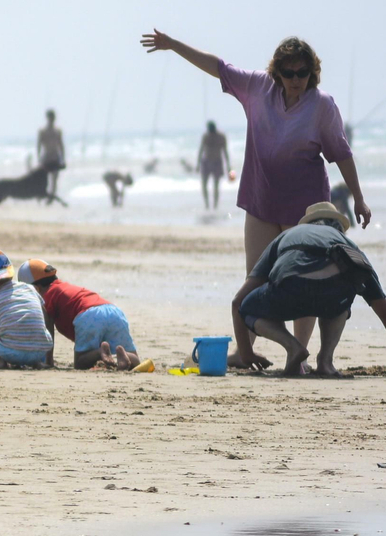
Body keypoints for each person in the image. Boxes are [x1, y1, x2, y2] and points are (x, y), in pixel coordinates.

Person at [143, 30, 367, 357]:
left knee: (302, 281)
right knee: (256, 279)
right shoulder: (257, 87)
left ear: (312, 73)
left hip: (305, 211)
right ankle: (245, 351)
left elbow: (341, 153)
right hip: (261, 202)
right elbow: (218, 66)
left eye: (302, 73)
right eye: (288, 73)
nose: (296, 79)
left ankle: (298, 353)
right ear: (277, 72)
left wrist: (359, 198)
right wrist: (173, 45)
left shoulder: (321, 106)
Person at [229, 202, 386, 377]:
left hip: (289, 291)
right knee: (343, 294)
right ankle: (325, 361)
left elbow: (238, 302)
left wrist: (246, 353)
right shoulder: (348, 247)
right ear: (339, 229)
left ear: (308, 224)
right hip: (333, 297)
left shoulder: (288, 236)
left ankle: (292, 346)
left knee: (249, 306)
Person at [17, 259, 140, 370]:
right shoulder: (63, 287)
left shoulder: (46, 297)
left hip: (89, 314)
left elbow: (47, 330)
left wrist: (48, 361)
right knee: (135, 358)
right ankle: (123, 355)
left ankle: (100, 352)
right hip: (113, 311)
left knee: (81, 363)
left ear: (36, 288)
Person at [0, 250, 53, 369]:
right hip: (39, 351)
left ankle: (0, 361)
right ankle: (36, 363)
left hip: (9, 352)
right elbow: (44, 315)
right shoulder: (29, 288)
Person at [198, 121, 231, 210]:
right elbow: (201, 150)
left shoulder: (220, 137)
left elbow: (225, 151)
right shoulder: (206, 136)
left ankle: (215, 206)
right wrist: (198, 164)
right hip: (206, 162)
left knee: (216, 185)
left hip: (217, 162)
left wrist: (228, 166)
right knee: (204, 185)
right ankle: (207, 205)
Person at [37, 109, 65, 196]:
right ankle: (45, 194)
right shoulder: (42, 131)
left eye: (53, 117)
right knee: (44, 178)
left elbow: (61, 145)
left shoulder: (57, 131)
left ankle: (52, 195)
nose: (52, 119)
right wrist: (39, 158)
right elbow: (39, 145)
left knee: (54, 178)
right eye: (50, 117)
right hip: (46, 156)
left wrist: (62, 158)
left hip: (55, 156)